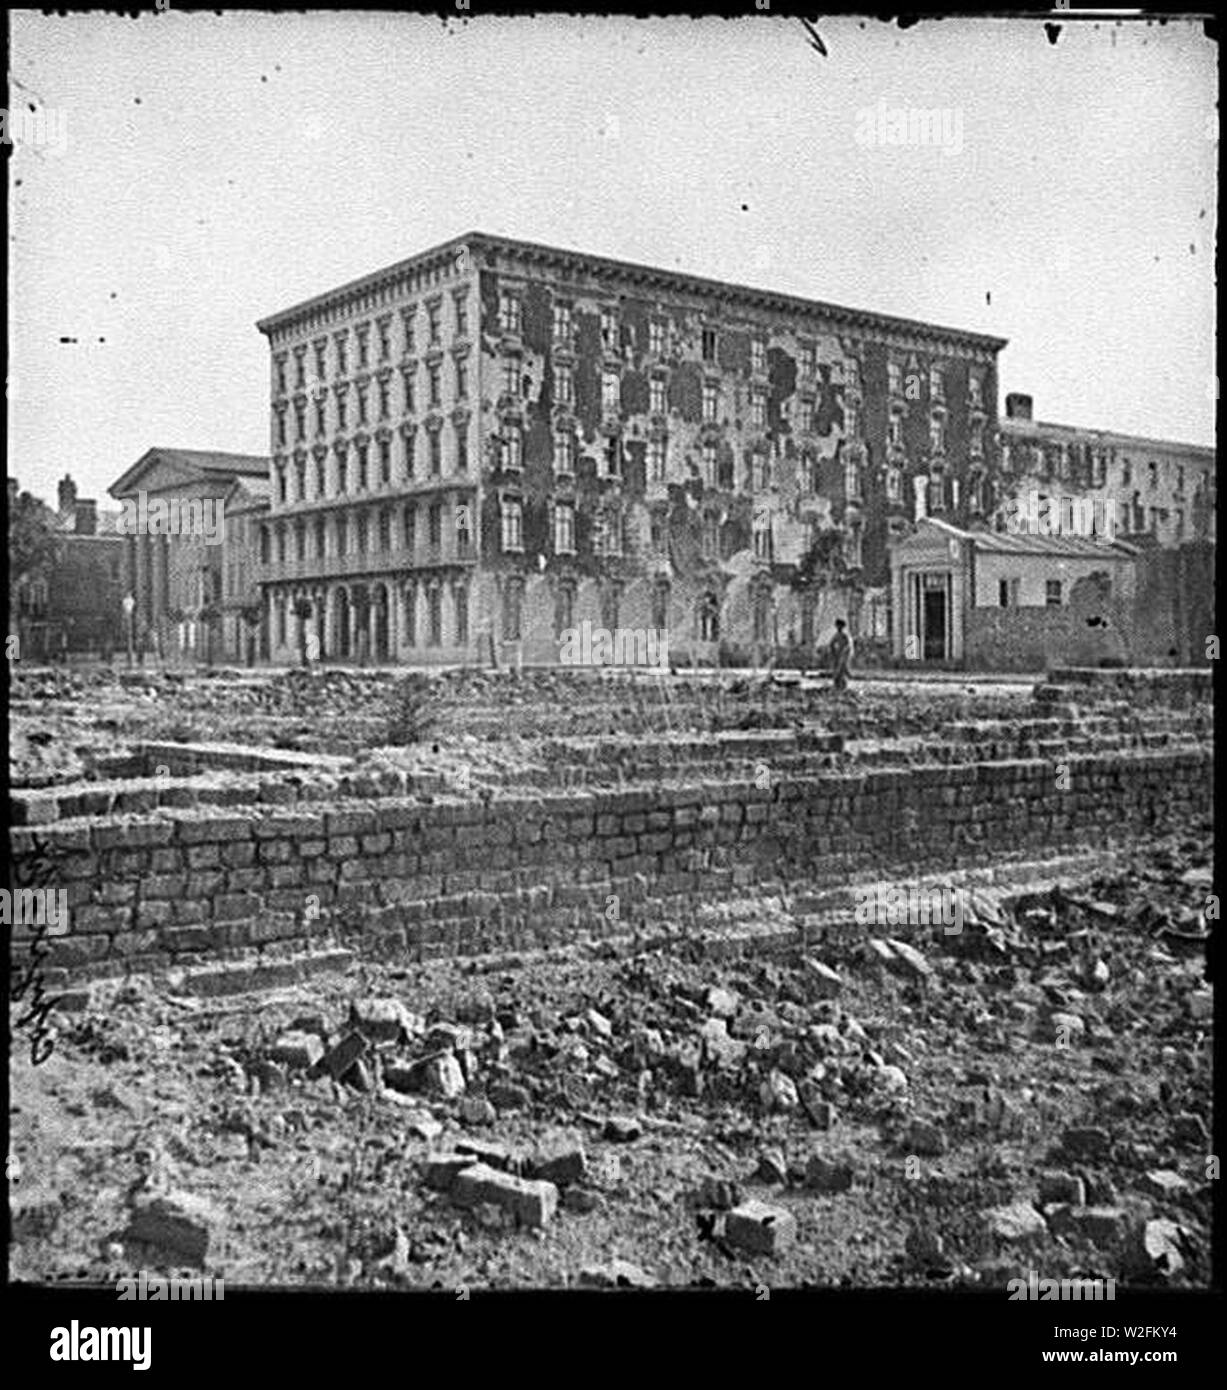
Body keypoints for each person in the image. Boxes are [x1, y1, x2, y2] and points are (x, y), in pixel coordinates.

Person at [829, 618, 853, 691]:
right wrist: (833, 651)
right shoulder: (837, 635)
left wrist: (843, 652)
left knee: (842, 668)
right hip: (839, 653)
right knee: (836, 668)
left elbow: (848, 645)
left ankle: (843, 685)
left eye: (839, 626)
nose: (838, 627)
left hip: (846, 654)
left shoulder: (845, 635)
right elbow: (832, 643)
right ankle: (837, 684)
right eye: (837, 626)